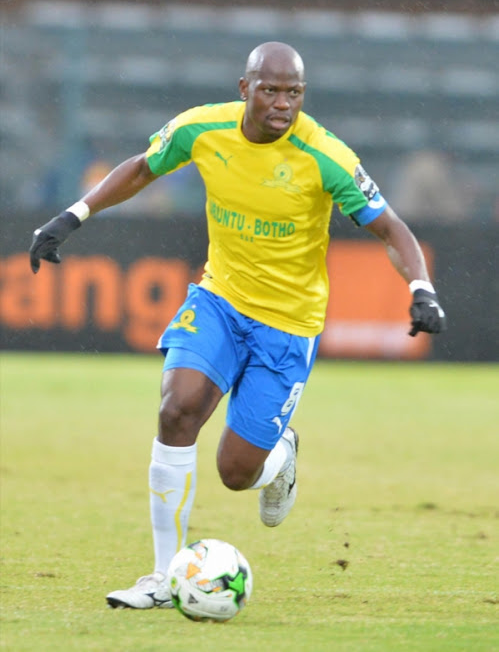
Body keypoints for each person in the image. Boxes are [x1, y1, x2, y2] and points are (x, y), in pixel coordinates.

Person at [29, 41, 446, 610]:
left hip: (288, 325)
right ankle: (161, 576)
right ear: (244, 87)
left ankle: (279, 454)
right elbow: (141, 169)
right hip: (220, 300)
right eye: (271, 90)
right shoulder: (201, 130)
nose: (282, 104)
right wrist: (71, 217)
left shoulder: (326, 156)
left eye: (293, 93)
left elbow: (391, 229)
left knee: (235, 470)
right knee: (176, 410)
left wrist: (420, 288)